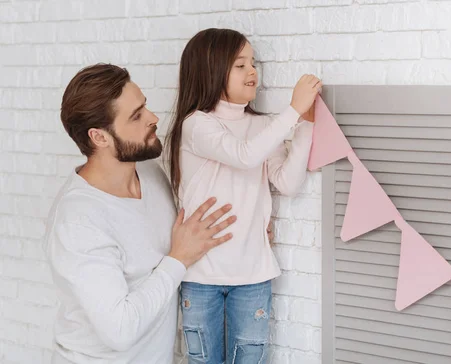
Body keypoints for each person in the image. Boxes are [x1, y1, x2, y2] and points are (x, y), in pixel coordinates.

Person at [44, 63, 237, 364]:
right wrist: (179, 258)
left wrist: (248, 231)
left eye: (144, 106)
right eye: (136, 116)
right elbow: (120, 330)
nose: (153, 118)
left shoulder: (148, 172)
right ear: (99, 137)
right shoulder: (79, 221)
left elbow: (186, 239)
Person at [165, 28, 321, 364]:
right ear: (211, 70)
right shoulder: (196, 125)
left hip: (253, 277)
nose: (253, 71)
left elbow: (288, 182)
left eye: (253, 63)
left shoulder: (263, 126)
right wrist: (292, 112)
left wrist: (306, 123)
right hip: (201, 277)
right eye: (240, 65)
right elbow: (244, 155)